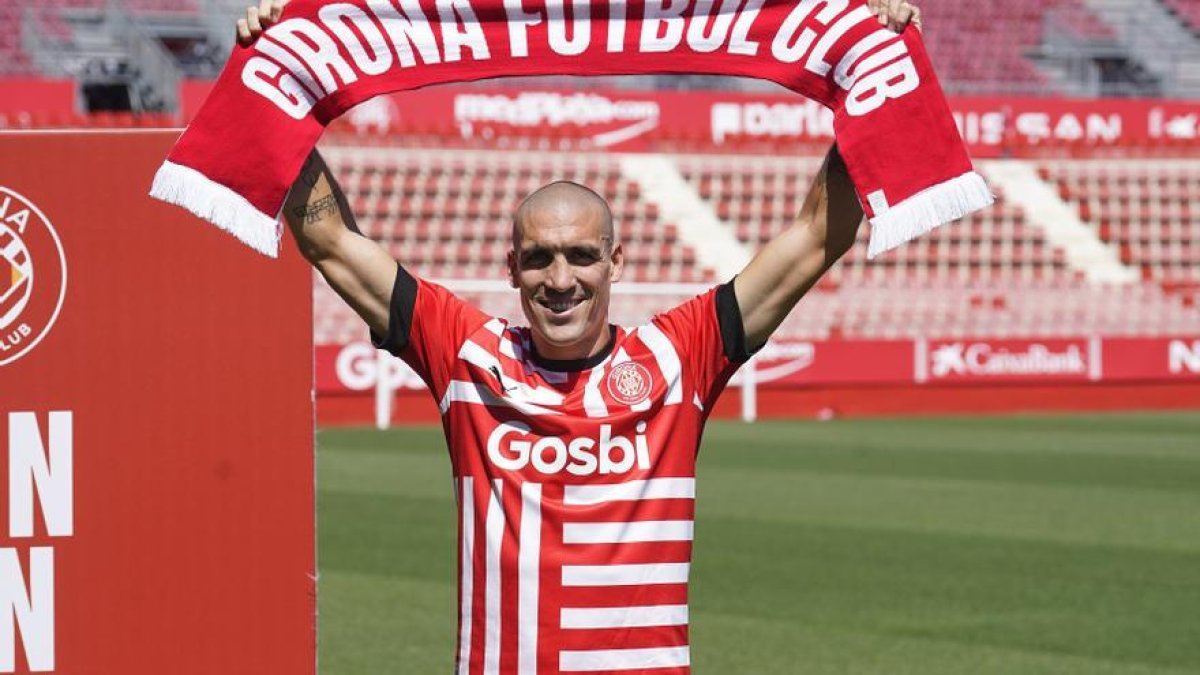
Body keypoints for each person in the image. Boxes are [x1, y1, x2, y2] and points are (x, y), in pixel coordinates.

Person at [241, 1, 922, 671]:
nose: (559, 278)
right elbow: (328, 239)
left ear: (616, 262)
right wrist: (280, 71)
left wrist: (871, 75)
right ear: (511, 268)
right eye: (538, 256)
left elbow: (811, 238)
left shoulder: (678, 355)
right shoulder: (466, 352)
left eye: (581, 256)